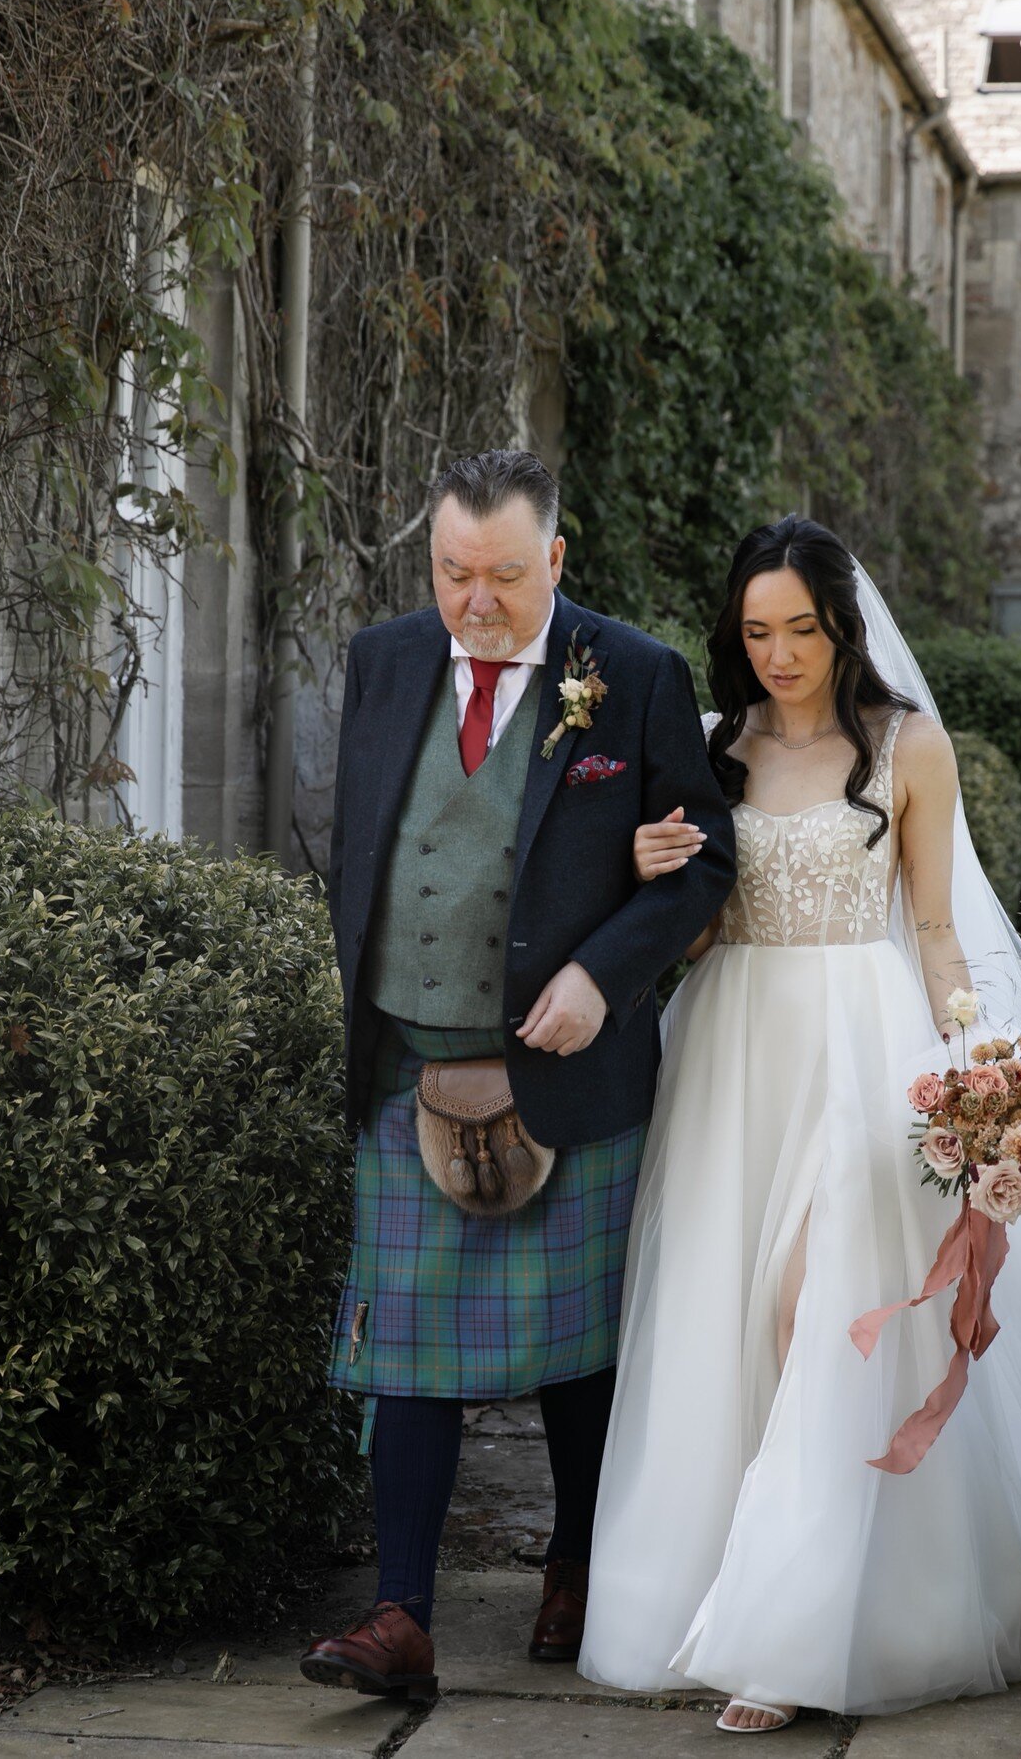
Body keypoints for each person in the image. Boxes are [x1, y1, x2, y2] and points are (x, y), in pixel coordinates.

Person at [577, 515, 1021, 1732]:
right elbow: (697, 932)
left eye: (801, 629)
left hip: (865, 1050)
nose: (779, 654)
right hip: (729, 1048)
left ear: (842, 627)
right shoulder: (714, 747)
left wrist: (978, 1076)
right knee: (725, 1321)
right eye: (757, 631)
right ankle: (714, 1591)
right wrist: (656, 872)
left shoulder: (910, 746)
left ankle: (794, 1634)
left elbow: (932, 928)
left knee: (816, 1304)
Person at [300, 449, 735, 1699]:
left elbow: (705, 860)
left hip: (569, 1075)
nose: (473, 601)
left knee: (581, 1351)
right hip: (406, 1067)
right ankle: (400, 1615)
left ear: (555, 557)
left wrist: (607, 973)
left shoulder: (635, 676)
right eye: (450, 572)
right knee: (407, 1354)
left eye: (500, 574)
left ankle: (579, 1566)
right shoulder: (384, 659)